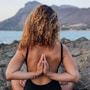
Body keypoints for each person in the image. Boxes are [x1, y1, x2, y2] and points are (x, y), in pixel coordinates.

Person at [6, 5, 80, 90]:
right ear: (54, 26)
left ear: (32, 25)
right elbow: (75, 77)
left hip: (31, 88)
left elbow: (9, 74)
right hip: (53, 88)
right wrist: (50, 74)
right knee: (69, 82)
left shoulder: (25, 48)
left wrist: (35, 74)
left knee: (15, 80)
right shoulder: (61, 49)